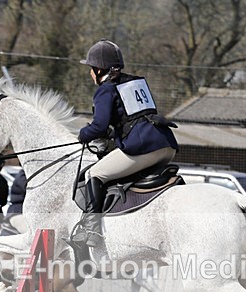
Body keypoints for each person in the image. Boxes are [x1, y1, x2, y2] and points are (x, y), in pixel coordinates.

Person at [76, 39, 179, 248]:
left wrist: (81, 135)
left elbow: (99, 127)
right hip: (167, 144)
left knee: (93, 174)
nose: (89, 74)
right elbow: (132, 118)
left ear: (98, 69)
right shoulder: (135, 82)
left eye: (90, 69)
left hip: (144, 148)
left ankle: (91, 230)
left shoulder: (106, 89)